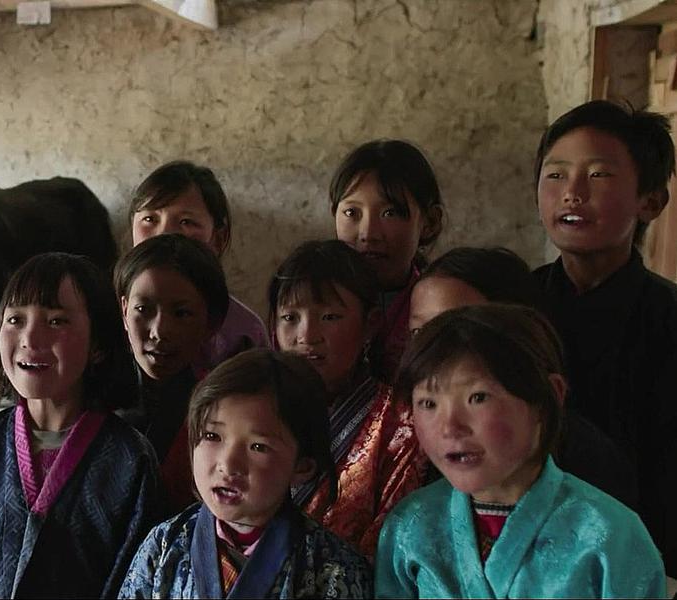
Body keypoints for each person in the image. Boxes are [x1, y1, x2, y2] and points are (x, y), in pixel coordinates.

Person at [377, 305, 665, 598]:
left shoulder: (609, 533)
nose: (450, 427)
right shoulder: (411, 525)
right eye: (428, 403)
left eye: (478, 398)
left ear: (549, 396)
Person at [0, 253, 160, 598]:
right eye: (15, 319)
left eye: (56, 321)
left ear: (97, 345)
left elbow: (137, 583)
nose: (30, 339)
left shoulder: (129, 460)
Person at [531, 100, 677, 573]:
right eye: (555, 175)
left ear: (650, 200)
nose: (572, 193)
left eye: (598, 176)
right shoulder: (509, 304)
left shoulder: (669, 318)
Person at [119, 349, 372, 599]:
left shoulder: (334, 569)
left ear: (302, 467)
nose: (228, 465)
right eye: (212, 436)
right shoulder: (164, 545)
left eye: (258, 447)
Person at [409, 246, 637, 506]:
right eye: (419, 332)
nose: (437, 347)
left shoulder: (592, 473)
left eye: (459, 325)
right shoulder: (412, 507)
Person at [269, 240, 426, 558]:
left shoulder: (402, 423)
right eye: (289, 317)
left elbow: (390, 545)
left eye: (329, 317)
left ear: (370, 324)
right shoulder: (255, 412)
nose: (307, 336)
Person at [115, 234, 230, 515]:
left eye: (181, 313)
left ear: (211, 322)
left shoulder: (221, 411)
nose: (159, 331)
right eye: (143, 309)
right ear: (124, 310)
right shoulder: (88, 397)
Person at [130, 160, 269, 372]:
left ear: (218, 239)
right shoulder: (98, 316)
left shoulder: (243, 333)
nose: (164, 234)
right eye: (149, 219)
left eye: (186, 222)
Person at [329, 140, 446, 382]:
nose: (368, 233)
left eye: (389, 213)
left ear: (430, 221)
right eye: (352, 213)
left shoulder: (438, 308)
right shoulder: (308, 303)